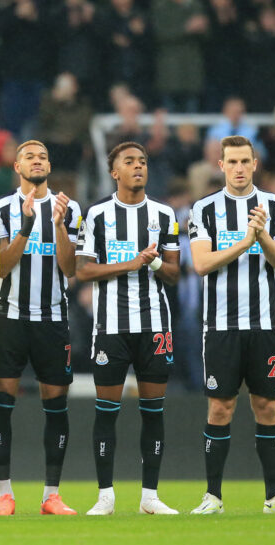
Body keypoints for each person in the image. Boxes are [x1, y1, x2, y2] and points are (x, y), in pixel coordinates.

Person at [187, 135, 275, 514]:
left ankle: (274, 497)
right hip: (220, 326)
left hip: (266, 324)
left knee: (268, 406)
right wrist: (245, 241)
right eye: (231, 162)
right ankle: (213, 497)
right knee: (220, 407)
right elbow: (202, 264)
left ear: (255, 165)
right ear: (220, 166)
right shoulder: (204, 209)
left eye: (244, 161)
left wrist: (263, 235)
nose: (238, 168)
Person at [74, 141, 181, 516]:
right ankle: (106, 496)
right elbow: (82, 270)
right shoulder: (98, 214)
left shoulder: (165, 215)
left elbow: (174, 273)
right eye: (129, 162)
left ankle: (149, 497)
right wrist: (131, 263)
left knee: (153, 411)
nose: (138, 167)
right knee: (107, 410)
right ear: (114, 172)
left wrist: (150, 264)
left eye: (143, 162)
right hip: (110, 326)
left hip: (154, 326)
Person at [0, 140, 81, 516]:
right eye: (30, 156)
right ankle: (4, 493)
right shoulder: (1, 208)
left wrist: (57, 226)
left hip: (53, 318)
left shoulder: (68, 208)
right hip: (8, 317)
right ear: (16, 166)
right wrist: (25, 227)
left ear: (49, 166)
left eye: (42, 156)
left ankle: (51, 495)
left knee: (56, 405)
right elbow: (0, 267)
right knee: (2, 400)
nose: (37, 161)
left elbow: (70, 268)